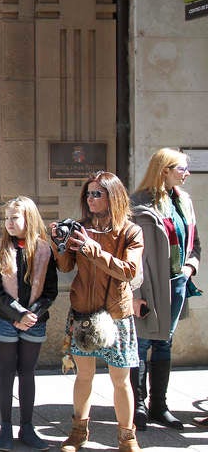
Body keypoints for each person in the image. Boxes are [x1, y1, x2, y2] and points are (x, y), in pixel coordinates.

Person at [53, 171, 144, 452]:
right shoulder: (79, 227)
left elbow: (129, 271)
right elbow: (66, 267)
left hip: (116, 316)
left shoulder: (130, 231)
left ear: (112, 196)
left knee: (121, 380)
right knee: (84, 376)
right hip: (83, 312)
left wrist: (93, 250)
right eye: (88, 194)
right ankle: (78, 432)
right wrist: (59, 243)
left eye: (97, 193)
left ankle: (127, 438)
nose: (90, 199)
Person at [130, 148, 201, 431]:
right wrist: (136, 294)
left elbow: (194, 244)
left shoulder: (184, 201)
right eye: (181, 168)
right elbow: (130, 252)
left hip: (176, 284)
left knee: (164, 343)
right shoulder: (137, 204)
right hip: (147, 286)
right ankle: (138, 406)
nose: (187, 173)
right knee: (142, 343)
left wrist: (189, 268)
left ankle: (160, 405)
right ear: (164, 170)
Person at [0, 197, 58, 451]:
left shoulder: (44, 249)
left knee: (27, 372)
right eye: (6, 218)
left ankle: (27, 427)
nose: (9, 223)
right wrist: (18, 313)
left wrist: (33, 314)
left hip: (34, 321)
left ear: (29, 219)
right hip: (5, 319)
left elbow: (50, 290)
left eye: (14, 218)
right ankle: (5, 426)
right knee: (7, 371)